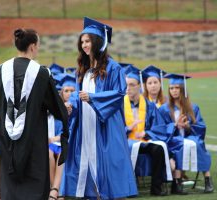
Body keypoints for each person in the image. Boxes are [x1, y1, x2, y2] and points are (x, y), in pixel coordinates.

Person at [61, 17, 137, 199]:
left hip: (105, 123)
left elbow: (119, 93)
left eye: (88, 41)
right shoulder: (82, 69)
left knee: (106, 162)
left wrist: (93, 98)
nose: (85, 45)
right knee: (85, 159)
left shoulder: (113, 68)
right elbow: (77, 94)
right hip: (85, 123)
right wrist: (71, 105)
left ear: (97, 42)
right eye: (82, 42)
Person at [0, 28, 69, 200]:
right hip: (33, 140)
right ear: (33, 46)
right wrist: (65, 111)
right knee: (34, 181)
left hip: (7, 141)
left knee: (11, 185)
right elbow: (54, 105)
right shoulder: (41, 73)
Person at [159, 73, 214, 193]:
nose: (174, 91)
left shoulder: (193, 108)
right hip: (172, 140)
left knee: (198, 143)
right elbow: (160, 129)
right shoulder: (164, 109)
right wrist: (175, 125)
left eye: (177, 88)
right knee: (181, 144)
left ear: (183, 89)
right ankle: (177, 183)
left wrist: (188, 126)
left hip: (189, 137)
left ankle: (208, 179)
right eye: (171, 88)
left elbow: (201, 127)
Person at [124, 66, 172, 196]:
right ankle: (128, 188)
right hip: (125, 141)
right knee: (125, 149)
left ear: (139, 86)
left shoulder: (149, 105)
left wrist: (146, 133)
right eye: (126, 85)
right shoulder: (119, 105)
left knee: (159, 148)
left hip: (143, 140)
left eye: (131, 85)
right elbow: (113, 129)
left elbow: (158, 126)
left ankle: (156, 188)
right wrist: (128, 128)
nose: (128, 88)